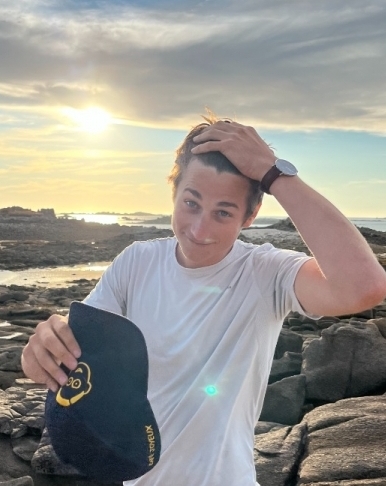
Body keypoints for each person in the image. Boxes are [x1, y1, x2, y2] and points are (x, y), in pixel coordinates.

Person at [21, 116, 386, 486]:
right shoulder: (136, 263)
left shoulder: (265, 272)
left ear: (251, 215)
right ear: (174, 192)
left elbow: (364, 286)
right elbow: (74, 359)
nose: (199, 230)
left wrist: (274, 173)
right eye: (191, 203)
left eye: (223, 212)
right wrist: (39, 354)